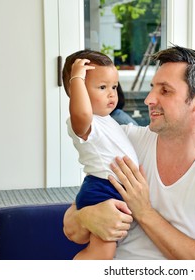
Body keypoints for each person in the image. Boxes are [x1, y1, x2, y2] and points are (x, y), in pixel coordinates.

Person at [63, 45, 195, 259]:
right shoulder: (124, 141)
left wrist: (144, 212)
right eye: (152, 88)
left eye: (165, 90)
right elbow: (70, 227)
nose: (149, 99)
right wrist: (87, 217)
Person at [62, 49, 139, 259]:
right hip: (102, 191)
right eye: (102, 87)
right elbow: (81, 111)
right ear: (78, 92)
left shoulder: (108, 120)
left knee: (104, 252)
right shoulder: (86, 123)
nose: (112, 93)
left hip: (112, 190)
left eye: (114, 87)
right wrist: (77, 77)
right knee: (102, 254)